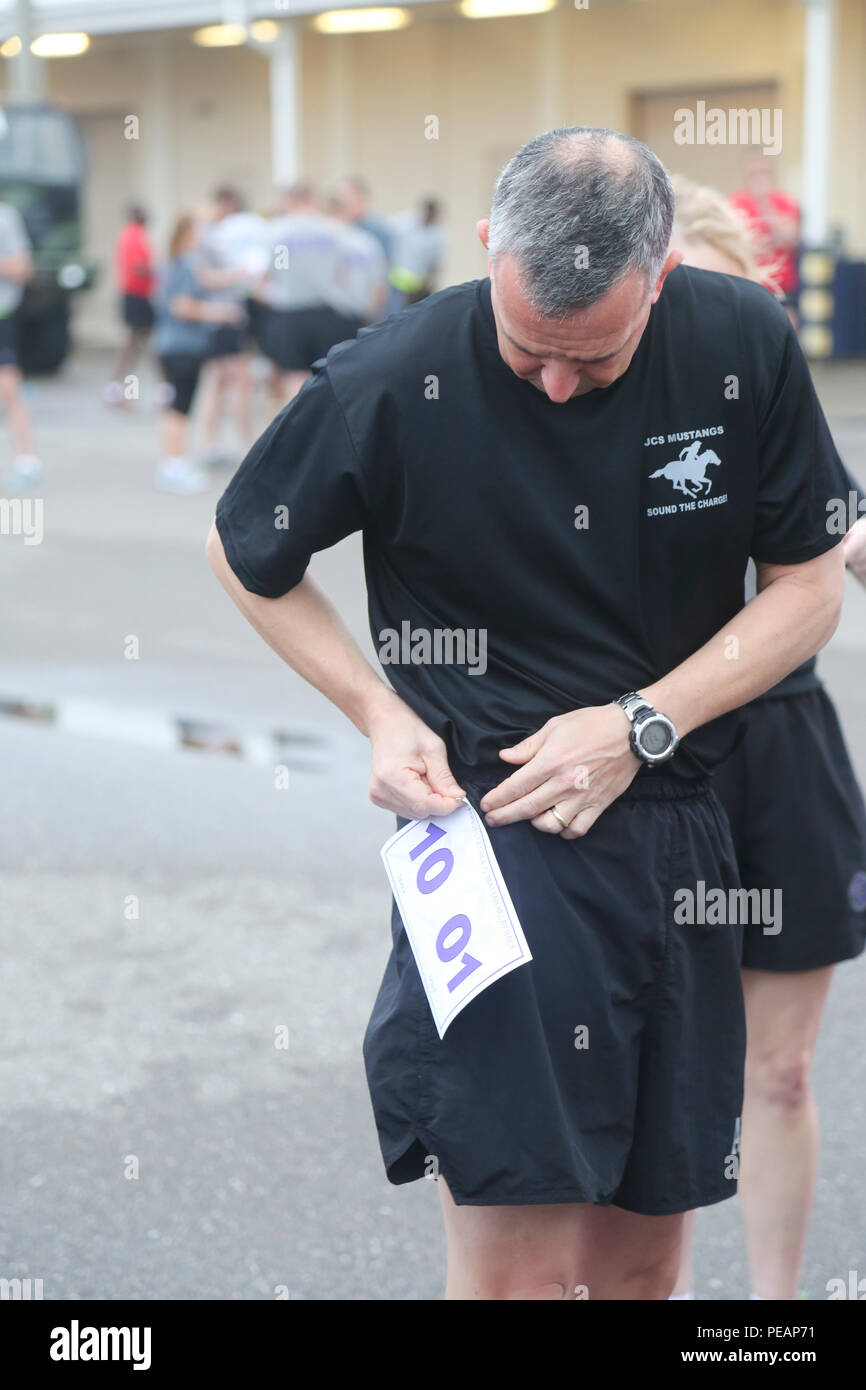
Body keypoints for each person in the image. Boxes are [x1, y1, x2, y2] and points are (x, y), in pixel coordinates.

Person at [207, 128, 849, 1300]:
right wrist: (376, 710)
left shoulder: (739, 338)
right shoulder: (387, 376)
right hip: (492, 843)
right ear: (489, 245)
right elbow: (244, 548)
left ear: (660, 277)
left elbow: (807, 589)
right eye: (525, 351)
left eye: (591, 360)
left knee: (642, 1261)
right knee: (514, 1272)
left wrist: (639, 721)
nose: (554, 384)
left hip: (680, 831)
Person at [666, 175, 866, 1303]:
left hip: (781, 759)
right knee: (655, 1072)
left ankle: (771, 1315)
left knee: (776, 1075)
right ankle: (659, 1285)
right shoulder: (604, 417)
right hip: (649, 765)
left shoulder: (776, 408)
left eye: (742, 306)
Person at [152, 215, 242, 495]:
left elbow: (209, 281)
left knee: (177, 406)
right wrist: (220, 313)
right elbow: (182, 305)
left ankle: (174, 462)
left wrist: (236, 275)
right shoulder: (187, 263)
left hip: (172, 345)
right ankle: (174, 463)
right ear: (189, 232)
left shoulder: (178, 262)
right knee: (180, 406)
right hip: (182, 346)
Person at [257, 183, 362, 407]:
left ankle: (295, 432)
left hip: (289, 314)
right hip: (326, 313)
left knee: (294, 379)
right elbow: (342, 274)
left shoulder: (277, 231)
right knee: (327, 378)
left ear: (289, 201)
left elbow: (269, 276)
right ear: (312, 199)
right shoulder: (333, 230)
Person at [195, 187, 267, 469]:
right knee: (237, 381)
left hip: (224, 318)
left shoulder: (215, 236)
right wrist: (240, 274)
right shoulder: (210, 239)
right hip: (223, 318)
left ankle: (215, 443)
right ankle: (246, 444)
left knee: (219, 381)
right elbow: (206, 279)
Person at [0, 199, 41, 493]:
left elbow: (22, 267)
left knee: (10, 388)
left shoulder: (6, 218)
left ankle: (26, 459)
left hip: (3, 315)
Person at [729, 155, 800, 321]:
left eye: (763, 173)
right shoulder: (736, 203)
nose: (759, 178)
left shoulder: (784, 201)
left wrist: (765, 205)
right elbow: (733, 244)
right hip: (749, 285)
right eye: (754, 174)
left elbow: (790, 239)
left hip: (782, 288)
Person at [104, 204, 155, 407]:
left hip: (136, 294)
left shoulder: (130, 234)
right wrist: (158, 274)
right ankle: (119, 388)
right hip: (137, 295)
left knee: (137, 343)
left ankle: (123, 389)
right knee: (135, 343)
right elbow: (138, 266)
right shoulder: (134, 235)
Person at [328, 189, 389, 329]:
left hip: (321, 316)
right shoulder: (366, 241)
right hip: (357, 317)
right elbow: (379, 290)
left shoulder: (316, 241)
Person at [387, 197, 444, 310]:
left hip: (419, 287)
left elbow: (435, 264)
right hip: (397, 281)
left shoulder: (437, 235)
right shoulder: (403, 223)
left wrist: (426, 285)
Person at [334, 175, 392, 265]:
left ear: (360, 196)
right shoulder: (342, 227)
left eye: (344, 195)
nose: (339, 199)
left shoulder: (378, 229)